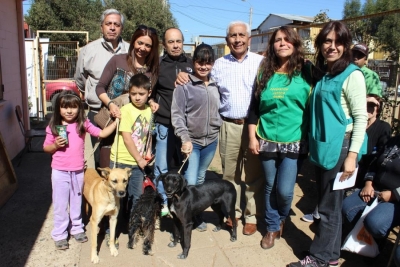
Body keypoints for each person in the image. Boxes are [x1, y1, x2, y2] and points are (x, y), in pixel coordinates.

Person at [288, 21, 367, 267]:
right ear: (321, 44)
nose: (332, 47)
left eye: (338, 42)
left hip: (341, 148)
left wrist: (352, 155)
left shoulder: (352, 74)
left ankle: (319, 258)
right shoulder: (328, 73)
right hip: (326, 145)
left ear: (345, 45)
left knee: (329, 207)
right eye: (327, 41)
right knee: (330, 204)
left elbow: (361, 117)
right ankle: (332, 256)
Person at [176, 21, 264, 235]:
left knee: (253, 174)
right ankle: (230, 213)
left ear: (249, 39)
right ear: (227, 41)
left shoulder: (261, 62)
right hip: (228, 125)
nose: (237, 39)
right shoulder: (219, 65)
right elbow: (200, 73)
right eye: (233, 36)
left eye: (241, 35)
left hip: (253, 125)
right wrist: (183, 73)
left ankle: (251, 216)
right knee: (229, 174)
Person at [248, 26, 312, 249]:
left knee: (284, 190)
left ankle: (282, 216)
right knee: (269, 186)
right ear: (272, 45)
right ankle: (272, 227)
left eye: (287, 40)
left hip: (295, 140)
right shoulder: (264, 70)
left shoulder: (307, 70)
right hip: (266, 138)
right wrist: (252, 136)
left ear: (294, 44)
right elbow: (254, 108)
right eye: (278, 40)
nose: (282, 43)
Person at [43, 90, 118, 250]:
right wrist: (55, 145)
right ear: (58, 109)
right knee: (60, 203)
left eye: (73, 107)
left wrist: (116, 123)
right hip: (59, 171)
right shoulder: (53, 126)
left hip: (78, 171)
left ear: (80, 108)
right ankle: (60, 234)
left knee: (77, 201)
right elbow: (46, 148)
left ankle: (76, 229)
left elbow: (101, 133)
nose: (69, 111)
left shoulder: (82, 124)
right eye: (64, 107)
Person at [171, 43, 227, 231]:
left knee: (201, 178)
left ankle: (196, 213)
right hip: (192, 142)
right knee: (191, 181)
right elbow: (177, 115)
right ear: (193, 62)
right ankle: (187, 217)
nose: (203, 67)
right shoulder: (184, 85)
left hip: (210, 141)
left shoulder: (216, 84)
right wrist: (184, 137)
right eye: (199, 62)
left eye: (208, 62)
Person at [96, 25, 159, 168]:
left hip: (135, 132)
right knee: (108, 173)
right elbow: (100, 87)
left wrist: (152, 101)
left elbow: (150, 95)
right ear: (133, 42)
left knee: (132, 173)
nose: (142, 48)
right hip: (112, 123)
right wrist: (111, 104)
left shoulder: (152, 70)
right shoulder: (118, 60)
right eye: (140, 43)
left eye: (148, 45)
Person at [74, 9, 129, 167]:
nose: (112, 27)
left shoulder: (131, 50)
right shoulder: (88, 51)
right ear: (101, 27)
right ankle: (103, 190)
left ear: (121, 28)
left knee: (123, 155)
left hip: (125, 112)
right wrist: (92, 94)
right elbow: (80, 79)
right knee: (102, 157)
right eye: (108, 24)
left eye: (116, 24)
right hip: (98, 112)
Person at [148, 28, 193, 217]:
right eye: (171, 42)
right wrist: (151, 102)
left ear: (183, 42)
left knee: (187, 168)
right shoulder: (157, 64)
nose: (175, 45)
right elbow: (149, 91)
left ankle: (186, 207)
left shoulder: (191, 64)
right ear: (164, 45)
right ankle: (164, 206)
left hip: (187, 127)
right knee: (162, 168)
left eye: (178, 41)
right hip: (164, 123)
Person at [342, 135, 400, 255]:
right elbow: (374, 164)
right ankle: (370, 238)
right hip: (376, 189)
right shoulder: (393, 140)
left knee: (375, 223)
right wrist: (368, 183)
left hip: (396, 200)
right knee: (346, 207)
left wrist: (394, 195)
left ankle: (377, 240)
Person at [109, 73, 153, 219]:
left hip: (138, 162)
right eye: (133, 93)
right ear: (129, 92)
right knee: (117, 196)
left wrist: (147, 151)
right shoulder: (126, 110)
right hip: (122, 161)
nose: (137, 97)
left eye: (141, 94)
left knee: (137, 195)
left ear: (149, 93)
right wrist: (139, 159)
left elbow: (148, 133)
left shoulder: (149, 110)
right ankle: (112, 229)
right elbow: (127, 138)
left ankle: (133, 225)